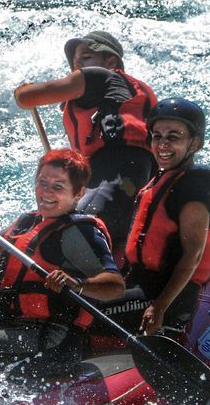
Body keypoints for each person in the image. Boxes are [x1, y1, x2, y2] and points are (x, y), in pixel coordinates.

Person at [0, 149, 126, 382]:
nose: (46, 192)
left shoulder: (80, 233)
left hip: (55, 340)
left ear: (78, 193)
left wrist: (77, 284)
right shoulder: (26, 222)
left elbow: (115, 285)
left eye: (58, 186)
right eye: (42, 182)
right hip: (17, 326)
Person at [13, 31, 157, 259]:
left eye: (86, 56)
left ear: (110, 61)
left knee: (69, 229)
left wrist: (22, 89)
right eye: (74, 61)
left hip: (115, 170)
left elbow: (27, 98)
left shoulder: (99, 77)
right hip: (136, 177)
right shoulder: (129, 93)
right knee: (101, 235)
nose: (77, 63)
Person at [125, 98, 210, 336]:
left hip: (167, 296)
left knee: (75, 308)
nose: (162, 144)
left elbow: (194, 253)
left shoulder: (195, 186)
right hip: (141, 285)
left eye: (173, 137)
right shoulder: (161, 180)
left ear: (195, 143)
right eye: (157, 136)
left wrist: (159, 307)